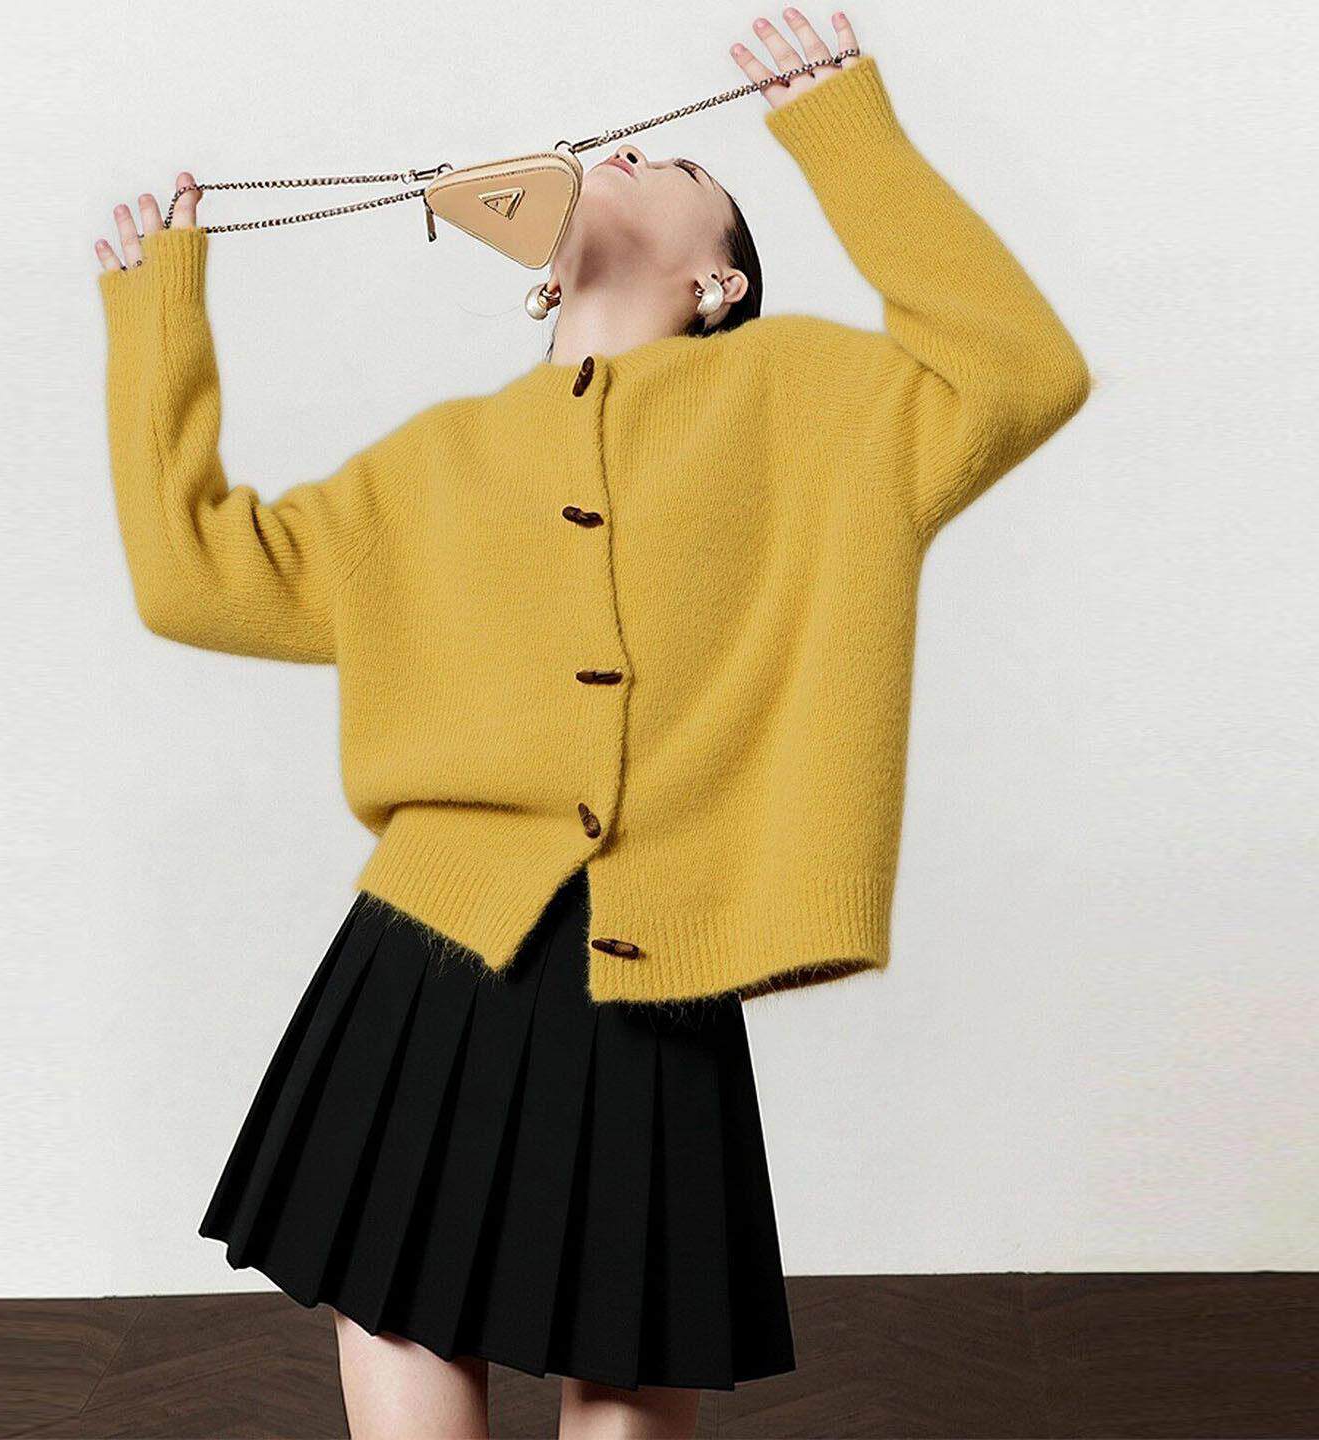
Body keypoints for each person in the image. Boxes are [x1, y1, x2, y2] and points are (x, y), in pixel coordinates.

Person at [94, 10, 1090, 1439]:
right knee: (397, 1304)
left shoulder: (825, 405)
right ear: (539, 276)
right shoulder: (429, 464)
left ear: (718, 280)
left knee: (621, 1346)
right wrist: (159, 321)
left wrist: (841, 138)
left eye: (675, 166)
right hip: (429, 936)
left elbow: (1020, 372)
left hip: (657, 951)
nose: (622, 152)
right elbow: (196, 576)